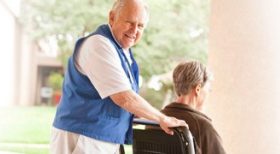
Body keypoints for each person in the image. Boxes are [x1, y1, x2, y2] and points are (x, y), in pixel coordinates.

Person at [50, 0, 187, 153]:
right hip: (83, 137)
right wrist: (162, 118)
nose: (135, 30)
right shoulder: (99, 45)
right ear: (112, 17)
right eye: (130, 22)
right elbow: (124, 97)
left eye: (141, 26)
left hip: (104, 137)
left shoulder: (122, 52)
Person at [162, 61, 226, 154]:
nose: (208, 94)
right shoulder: (202, 126)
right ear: (198, 89)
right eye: (208, 89)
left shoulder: (157, 120)